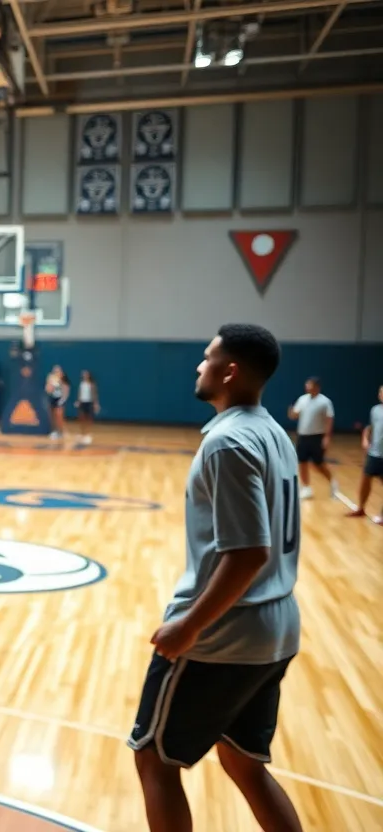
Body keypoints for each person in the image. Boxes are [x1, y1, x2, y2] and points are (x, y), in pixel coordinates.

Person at [129, 324, 303, 832]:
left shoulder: (228, 443)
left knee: (154, 762)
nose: (198, 366)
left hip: (224, 635)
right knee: (244, 764)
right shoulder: (273, 432)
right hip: (276, 629)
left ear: (229, 371)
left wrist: (189, 625)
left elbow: (248, 554)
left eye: (207, 358)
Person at [287, 377, 337, 499]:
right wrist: (291, 412)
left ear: (317, 387)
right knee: (302, 462)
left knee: (318, 464)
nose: (307, 388)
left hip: (317, 437)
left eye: (310, 386)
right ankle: (306, 488)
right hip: (303, 436)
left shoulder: (325, 402)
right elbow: (295, 416)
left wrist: (326, 438)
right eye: (306, 385)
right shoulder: (302, 399)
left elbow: (329, 420)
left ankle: (332, 482)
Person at [347, 384, 383, 524]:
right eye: (380, 392)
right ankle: (361, 508)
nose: (381, 395)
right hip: (374, 453)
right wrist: (364, 439)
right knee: (365, 479)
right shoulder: (375, 410)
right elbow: (370, 428)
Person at [74, 370, 100, 445]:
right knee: (81, 418)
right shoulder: (81, 384)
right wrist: (78, 401)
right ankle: (82, 433)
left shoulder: (92, 384)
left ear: (88, 375)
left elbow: (95, 394)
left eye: (86, 374)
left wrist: (96, 404)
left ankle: (88, 434)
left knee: (89, 418)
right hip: (82, 402)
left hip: (89, 402)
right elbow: (80, 393)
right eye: (83, 375)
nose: (84, 376)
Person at [45, 365, 69, 440]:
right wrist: (50, 383)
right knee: (52, 416)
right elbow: (48, 390)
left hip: (60, 399)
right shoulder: (51, 379)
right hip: (52, 398)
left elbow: (66, 391)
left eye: (58, 371)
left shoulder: (63, 379)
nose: (56, 372)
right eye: (55, 371)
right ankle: (54, 431)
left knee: (59, 416)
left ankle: (61, 432)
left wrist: (62, 401)